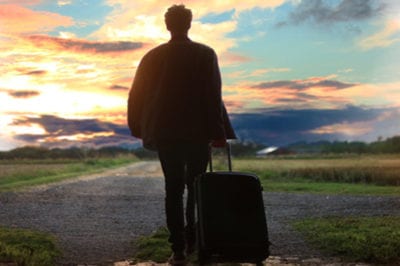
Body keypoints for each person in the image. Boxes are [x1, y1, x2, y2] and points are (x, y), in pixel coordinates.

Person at [127, 4, 235, 265]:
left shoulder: (152, 57)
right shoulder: (205, 54)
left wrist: (139, 128)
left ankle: (177, 250)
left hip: (165, 132)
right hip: (198, 132)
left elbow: (136, 95)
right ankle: (194, 240)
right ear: (189, 24)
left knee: (172, 189)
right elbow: (213, 95)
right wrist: (218, 132)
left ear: (167, 25)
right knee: (196, 187)